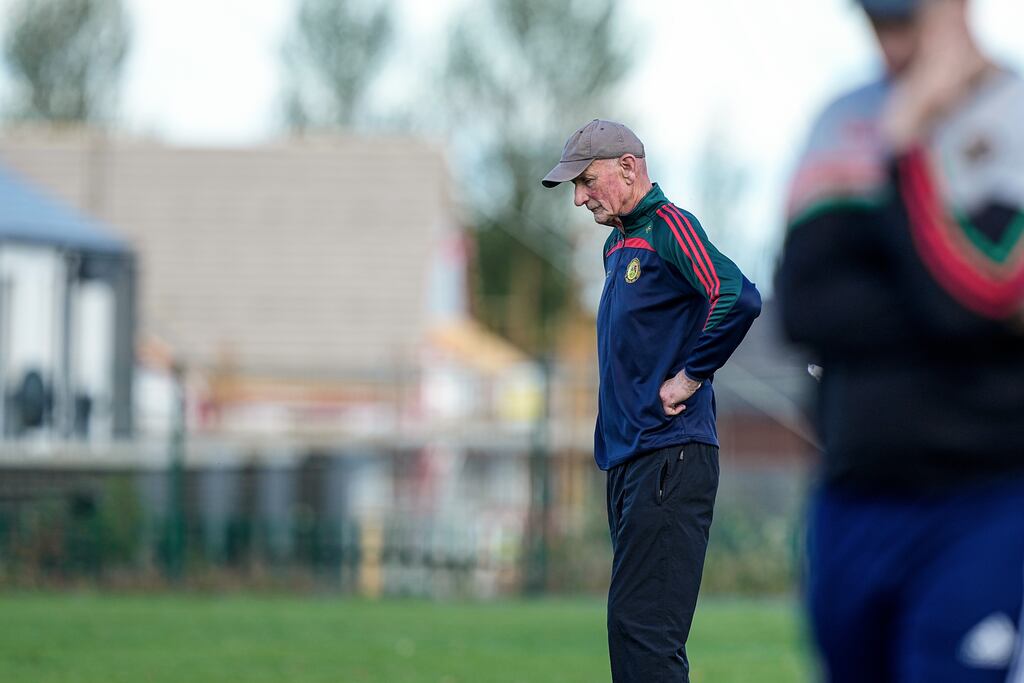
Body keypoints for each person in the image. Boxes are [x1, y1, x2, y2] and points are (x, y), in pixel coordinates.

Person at [777, 0, 1024, 681]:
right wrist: (930, 306)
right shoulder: (839, 120)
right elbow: (804, 304)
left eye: (905, 20)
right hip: (853, 494)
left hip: (985, 499)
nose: (888, 45)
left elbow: (982, 293)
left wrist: (907, 144)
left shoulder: (1016, 118)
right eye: (874, 22)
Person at [542, 119, 762, 682]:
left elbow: (737, 295)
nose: (579, 198)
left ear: (627, 167)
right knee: (635, 628)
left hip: (672, 456)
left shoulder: (669, 227)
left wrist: (690, 376)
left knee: (644, 629)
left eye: (587, 181)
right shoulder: (619, 246)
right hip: (631, 461)